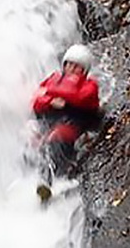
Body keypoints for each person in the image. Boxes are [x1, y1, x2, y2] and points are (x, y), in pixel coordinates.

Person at [32, 44, 102, 193]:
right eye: (69, 64)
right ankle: (27, 176)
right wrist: (50, 101)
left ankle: (49, 182)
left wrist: (50, 93)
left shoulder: (90, 84)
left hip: (76, 123)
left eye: (76, 66)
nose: (71, 68)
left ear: (84, 70)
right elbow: (36, 100)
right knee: (30, 134)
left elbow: (81, 97)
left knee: (57, 137)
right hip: (52, 119)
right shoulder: (54, 78)